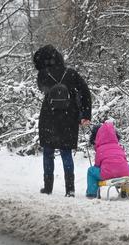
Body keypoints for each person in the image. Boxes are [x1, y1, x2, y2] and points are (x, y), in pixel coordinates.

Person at [33, 44, 92, 197]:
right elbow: (85, 91)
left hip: (49, 117)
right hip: (69, 117)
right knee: (66, 153)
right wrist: (86, 114)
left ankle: (48, 187)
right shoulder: (71, 73)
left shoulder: (43, 74)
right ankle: (70, 190)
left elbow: (42, 88)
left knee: (48, 152)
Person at [86, 122, 129, 198]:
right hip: (124, 173)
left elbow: (97, 165)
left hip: (107, 174)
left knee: (91, 171)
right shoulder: (119, 147)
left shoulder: (100, 150)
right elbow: (124, 161)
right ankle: (127, 191)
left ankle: (92, 194)